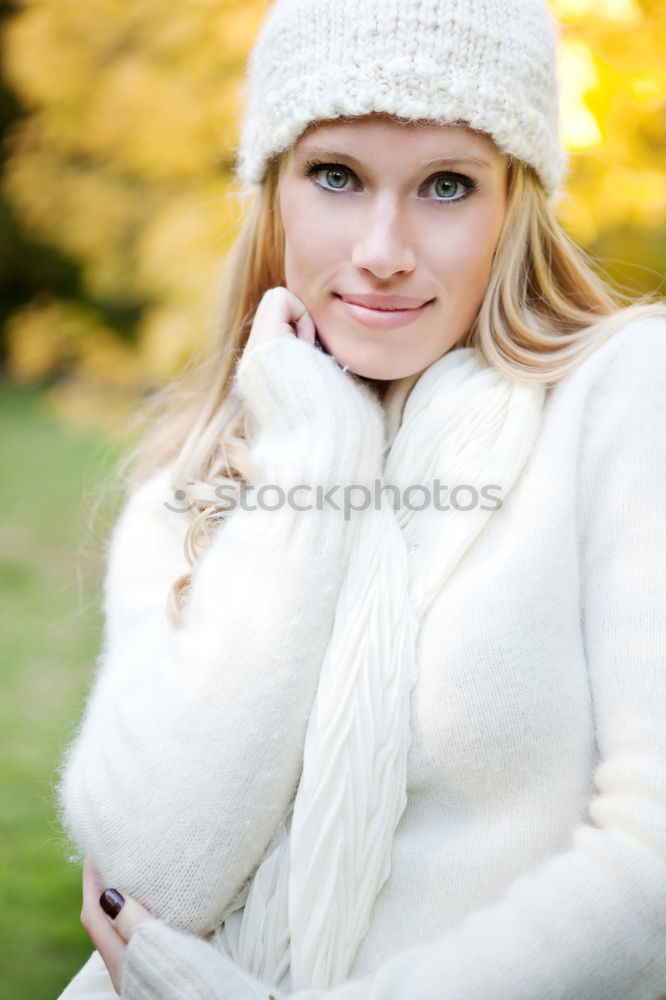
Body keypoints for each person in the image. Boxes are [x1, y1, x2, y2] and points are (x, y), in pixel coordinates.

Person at [55, 0, 666, 997]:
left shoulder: (625, 396)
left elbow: (651, 864)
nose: (383, 247)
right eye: (336, 175)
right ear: (275, 190)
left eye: (446, 185)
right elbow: (159, 877)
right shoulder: (198, 475)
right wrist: (312, 457)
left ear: (515, 202)